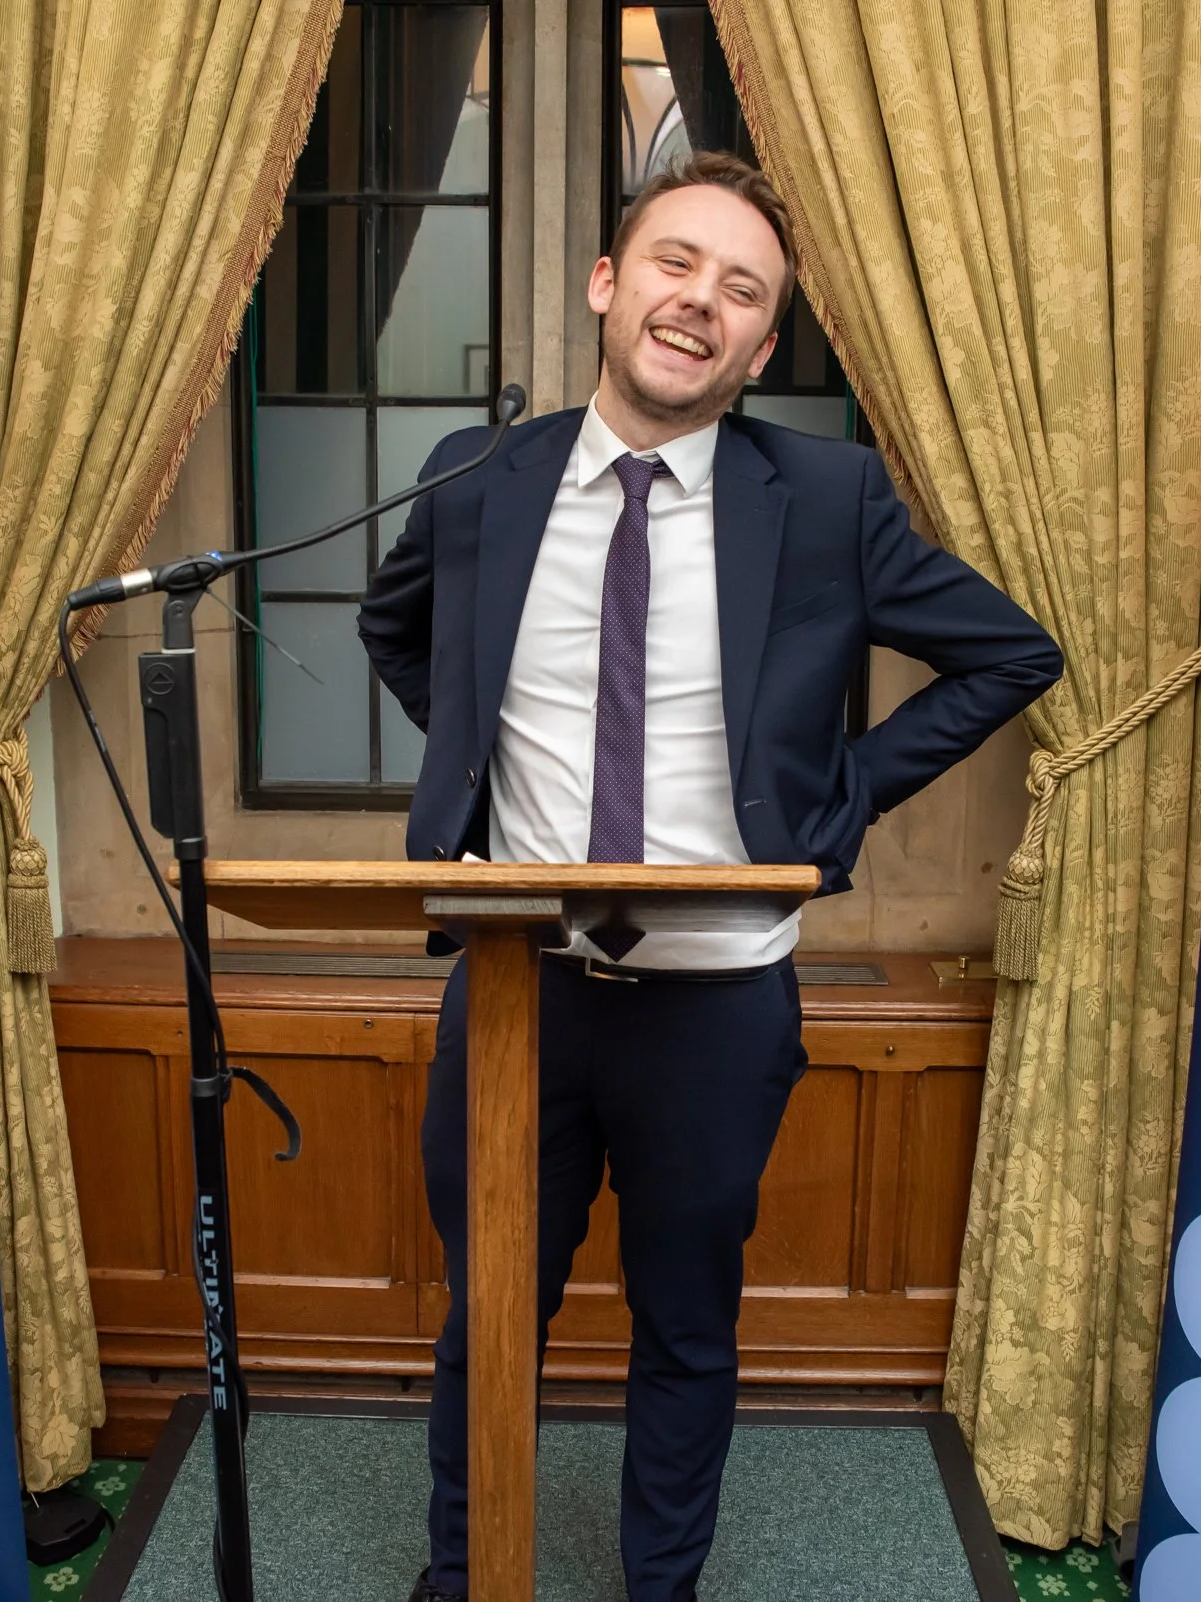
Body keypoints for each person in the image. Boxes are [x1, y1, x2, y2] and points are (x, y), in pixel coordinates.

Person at [359, 150, 1062, 1602]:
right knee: (489, 1312)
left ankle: (659, 1586)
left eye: (744, 291)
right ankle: (459, 1574)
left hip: (719, 999)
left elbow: (1011, 652)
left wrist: (834, 801)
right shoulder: (479, 477)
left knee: (687, 1320)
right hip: (515, 991)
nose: (703, 302)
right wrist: (479, 768)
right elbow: (398, 627)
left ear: (762, 342)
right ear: (611, 285)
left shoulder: (825, 493)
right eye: (677, 263)